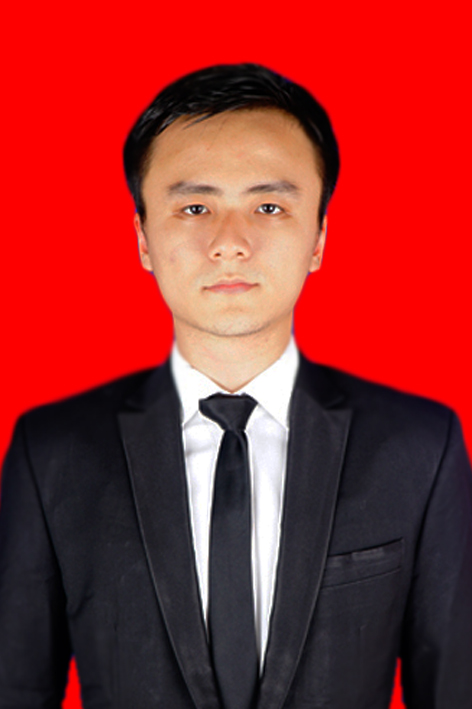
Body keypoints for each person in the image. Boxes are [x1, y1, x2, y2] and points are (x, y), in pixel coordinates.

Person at [0, 63, 471, 709]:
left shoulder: (420, 447)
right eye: (195, 207)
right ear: (143, 237)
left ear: (318, 237)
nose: (229, 243)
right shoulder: (52, 452)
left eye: (269, 206)